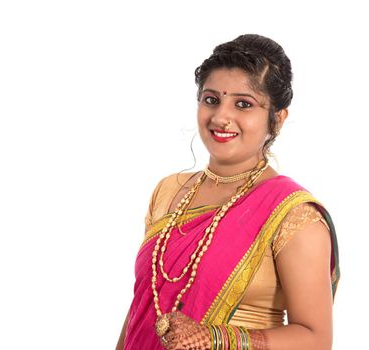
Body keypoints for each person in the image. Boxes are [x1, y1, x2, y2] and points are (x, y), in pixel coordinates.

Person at [116, 34, 340, 350]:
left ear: (277, 118)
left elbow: (315, 339)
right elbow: (142, 306)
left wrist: (216, 339)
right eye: (211, 99)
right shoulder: (170, 191)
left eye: (243, 104)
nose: (221, 117)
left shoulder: (294, 215)